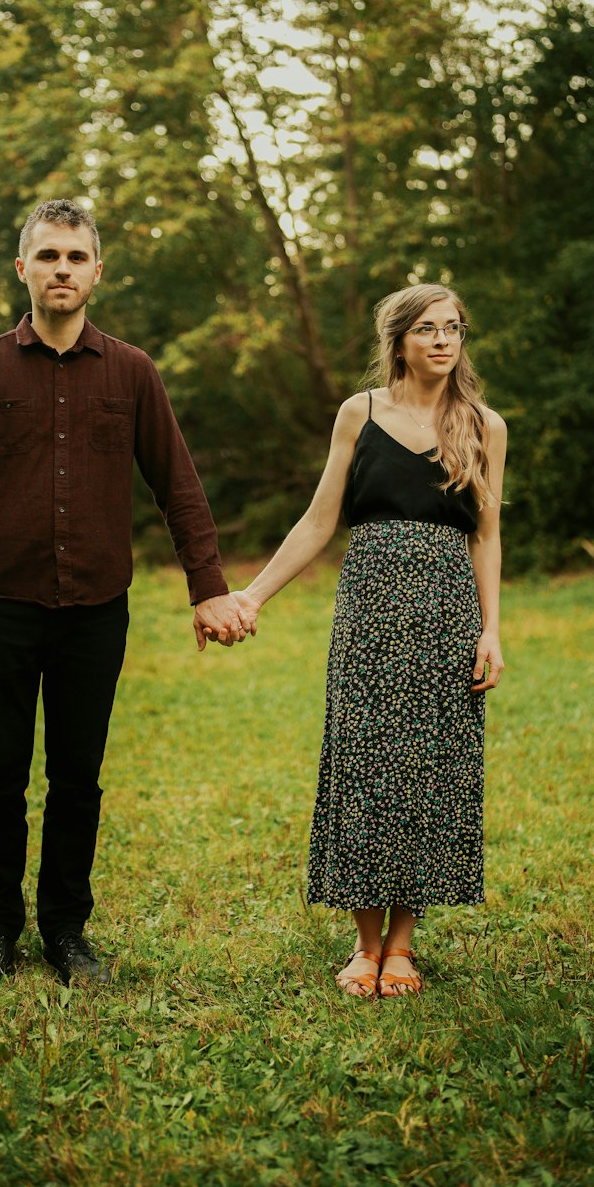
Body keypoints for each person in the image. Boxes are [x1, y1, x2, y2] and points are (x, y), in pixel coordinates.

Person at [0, 197, 248, 990]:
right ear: (22, 270)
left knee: (78, 778)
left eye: (75, 258)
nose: (62, 270)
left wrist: (206, 586)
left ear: (97, 272)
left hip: (97, 612)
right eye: (48, 257)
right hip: (0, 606)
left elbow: (177, 484)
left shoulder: (132, 372)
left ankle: (67, 932)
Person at [231, 284, 506, 997]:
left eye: (454, 328)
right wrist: (253, 593)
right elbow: (320, 521)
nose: (444, 341)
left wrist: (492, 630)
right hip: (369, 607)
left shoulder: (484, 425)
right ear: (399, 340)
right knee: (362, 763)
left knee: (428, 767)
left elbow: (487, 535)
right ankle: (363, 943)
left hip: (447, 613)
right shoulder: (361, 413)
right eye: (428, 330)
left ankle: (403, 945)